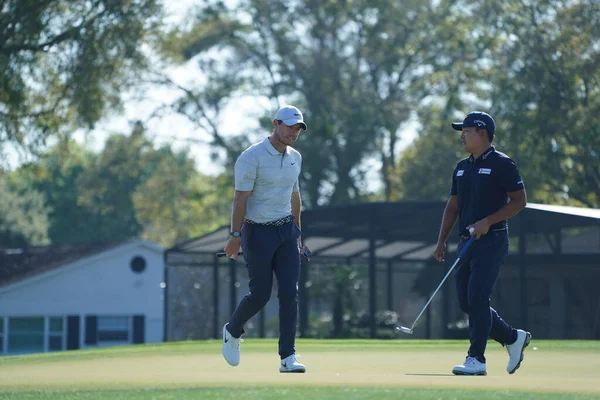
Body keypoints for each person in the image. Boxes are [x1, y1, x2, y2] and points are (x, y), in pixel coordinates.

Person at [433, 111, 531, 376]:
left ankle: (476, 359)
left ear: (482, 132)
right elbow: (453, 205)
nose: (462, 135)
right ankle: (512, 337)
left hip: (493, 239)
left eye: (466, 130)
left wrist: (488, 221)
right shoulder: (462, 167)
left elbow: (519, 201)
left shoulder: (503, 164)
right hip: (466, 243)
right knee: (467, 303)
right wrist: (441, 239)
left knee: (477, 297)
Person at [221, 105, 307, 373]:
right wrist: (234, 236)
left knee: (290, 293)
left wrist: (298, 235)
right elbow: (240, 199)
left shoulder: (296, 157)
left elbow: (294, 196)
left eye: (298, 128)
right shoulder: (252, 157)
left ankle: (287, 356)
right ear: (275, 123)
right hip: (257, 232)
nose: (294, 133)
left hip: (286, 232)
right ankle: (233, 330)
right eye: (290, 126)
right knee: (259, 295)